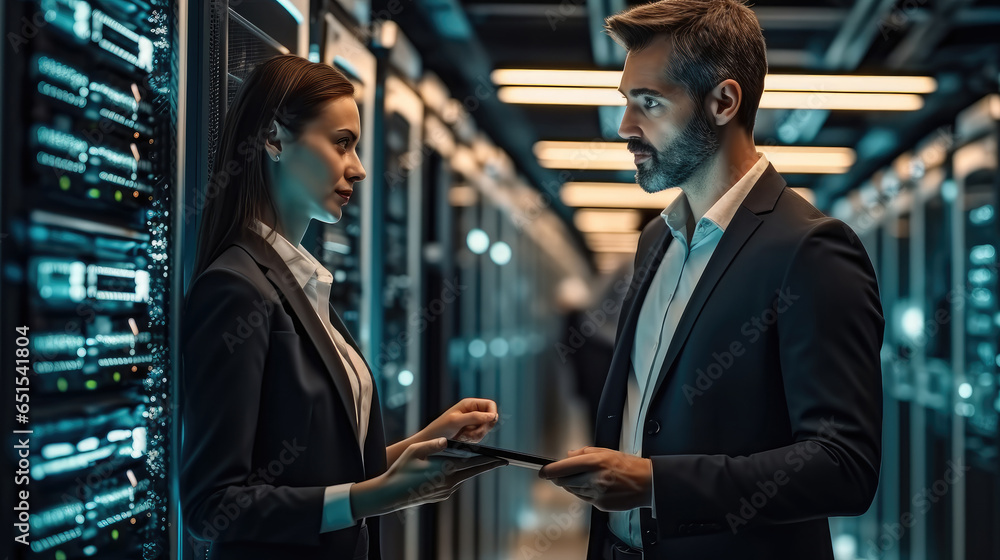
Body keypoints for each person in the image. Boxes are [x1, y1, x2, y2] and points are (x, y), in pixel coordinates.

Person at [538, 2, 885, 559]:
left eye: (649, 103)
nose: (626, 127)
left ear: (723, 102)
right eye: (626, 103)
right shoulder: (656, 239)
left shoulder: (811, 249)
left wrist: (656, 484)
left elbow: (843, 465)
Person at [180, 55, 504, 560]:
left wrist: (428, 440)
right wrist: (373, 497)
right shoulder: (235, 288)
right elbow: (211, 505)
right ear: (273, 139)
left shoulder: (299, 279)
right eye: (341, 143)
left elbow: (325, 471)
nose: (359, 167)